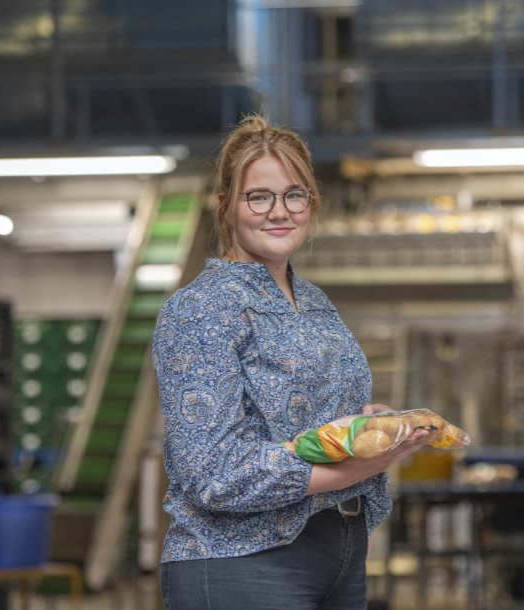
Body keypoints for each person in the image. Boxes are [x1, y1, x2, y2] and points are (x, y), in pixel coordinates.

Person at [153, 115, 433, 610]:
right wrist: (355, 468)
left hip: (339, 548)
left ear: (311, 203)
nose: (279, 211)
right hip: (242, 561)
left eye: (294, 195)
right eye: (258, 197)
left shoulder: (315, 301)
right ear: (226, 205)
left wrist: (371, 426)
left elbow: (316, 422)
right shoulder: (201, 308)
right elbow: (212, 473)